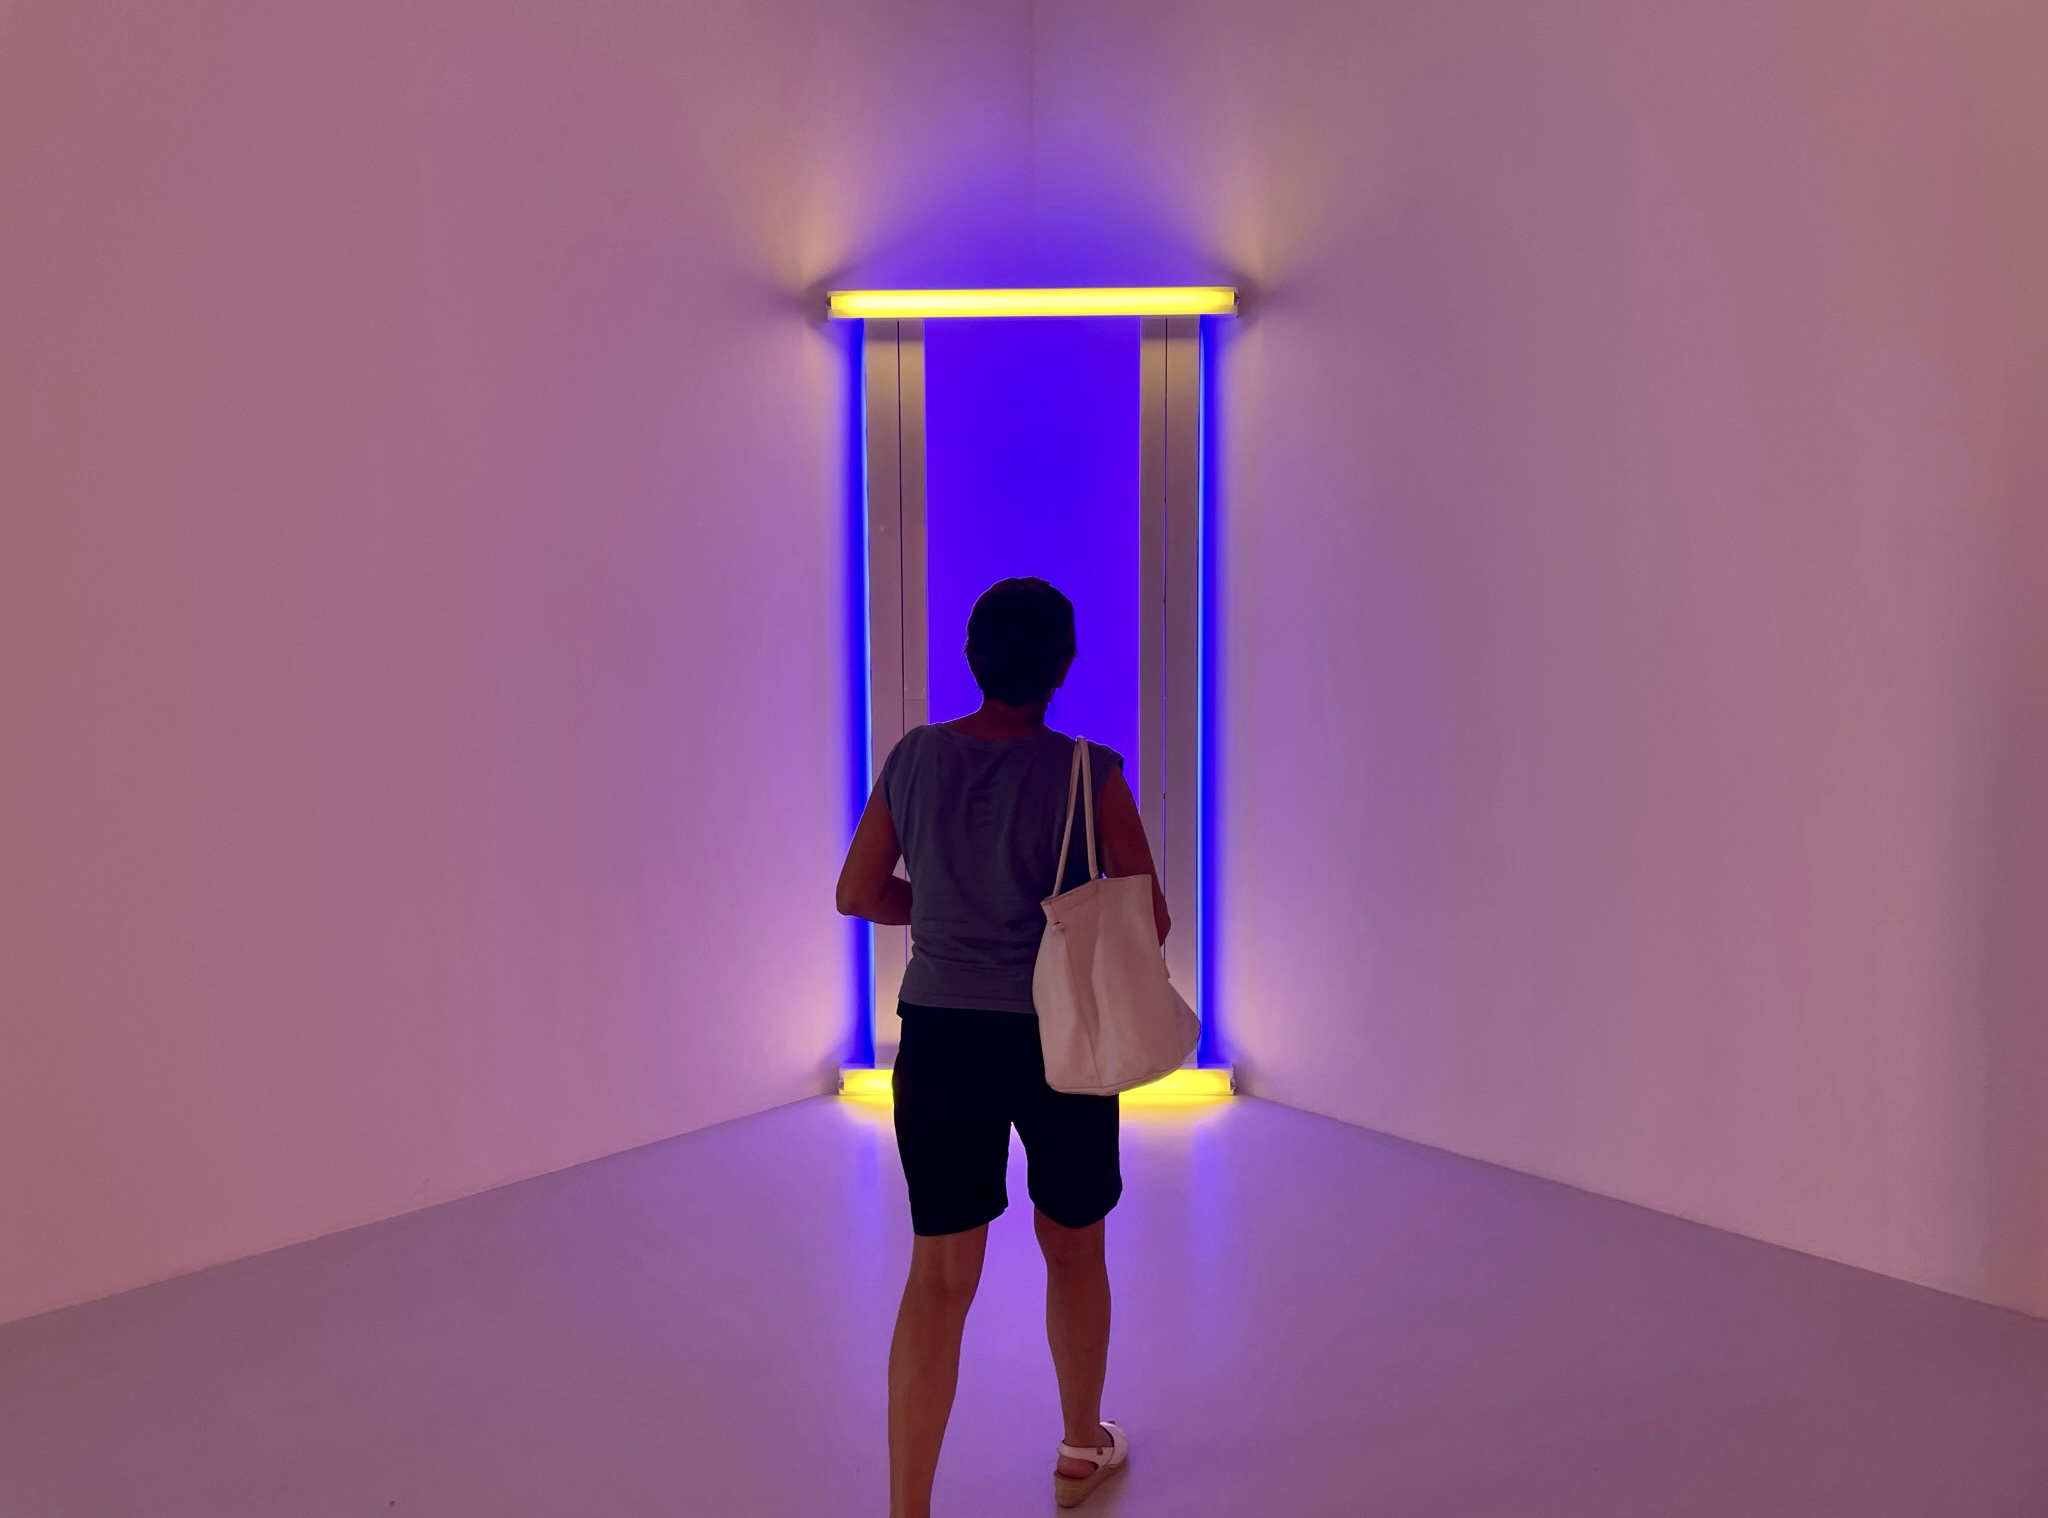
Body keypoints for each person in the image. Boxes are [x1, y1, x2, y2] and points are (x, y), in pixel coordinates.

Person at [836, 577, 1172, 1518]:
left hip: (941, 1035)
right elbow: (1148, 919)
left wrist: (946, 911)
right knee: (1073, 1245)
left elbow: (858, 893)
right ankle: (1079, 1453)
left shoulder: (914, 757)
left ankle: (909, 1509)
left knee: (939, 1278)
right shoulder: (1087, 772)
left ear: (971, 658)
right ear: (1065, 667)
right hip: (1062, 1038)